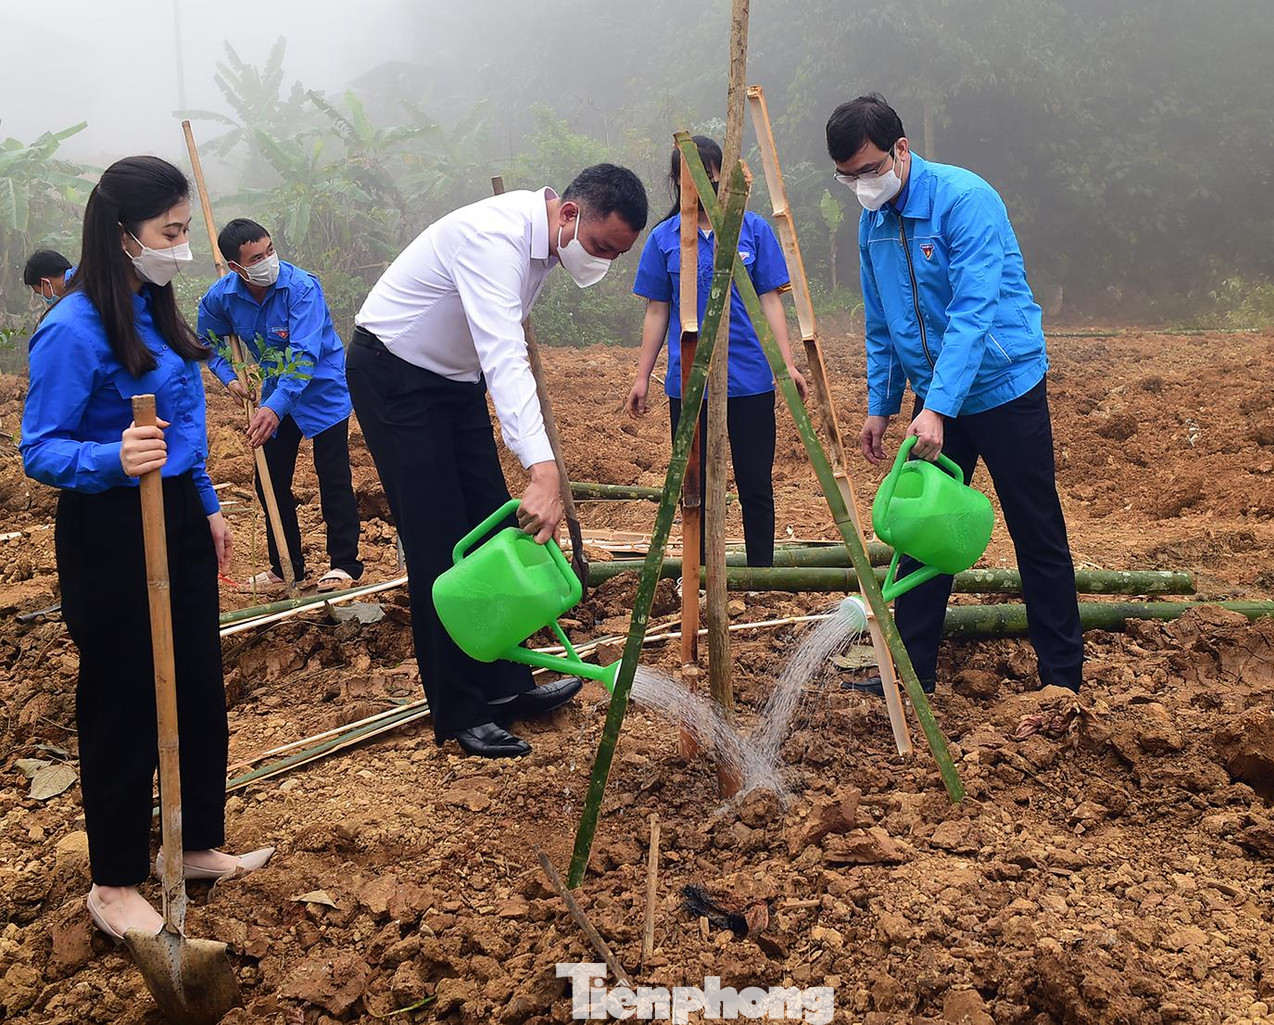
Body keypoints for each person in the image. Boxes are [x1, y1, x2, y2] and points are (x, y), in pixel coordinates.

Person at [21, 156, 272, 942]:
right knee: (125, 697)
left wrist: (206, 505)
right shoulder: (72, 325)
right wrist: (109, 459)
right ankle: (115, 878)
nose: (181, 246)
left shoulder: (158, 309)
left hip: (178, 521)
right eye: (169, 232)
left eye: (184, 230)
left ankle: (194, 842)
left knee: (196, 681)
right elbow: (40, 447)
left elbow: (184, 430)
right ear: (123, 233)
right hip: (110, 532)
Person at [350, 164, 648, 758]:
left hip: (454, 381)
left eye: (617, 255)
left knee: (489, 529)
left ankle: (507, 685)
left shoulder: (548, 240)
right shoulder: (495, 239)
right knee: (439, 544)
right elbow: (504, 352)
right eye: (600, 247)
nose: (603, 262)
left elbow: (492, 353)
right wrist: (544, 470)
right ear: (568, 214)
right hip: (396, 376)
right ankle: (459, 709)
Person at [826, 94, 1084, 697]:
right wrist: (882, 403)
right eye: (848, 176)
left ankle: (1062, 680)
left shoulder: (965, 201)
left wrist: (938, 408)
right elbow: (882, 318)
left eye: (868, 170)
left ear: (900, 150)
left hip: (1002, 387)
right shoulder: (873, 223)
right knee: (922, 529)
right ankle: (914, 673)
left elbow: (974, 312)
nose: (862, 185)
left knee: (1035, 528)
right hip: (936, 396)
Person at [625, 136, 807, 567]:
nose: (706, 183)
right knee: (695, 485)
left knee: (754, 481)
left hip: (750, 379)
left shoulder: (754, 231)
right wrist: (640, 376)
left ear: (724, 176)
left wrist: (786, 363)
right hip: (689, 384)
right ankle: (700, 571)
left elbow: (770, 300)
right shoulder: (664, 239)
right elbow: (656, 310)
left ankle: (762, 572)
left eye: (713, 173)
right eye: (695, 176)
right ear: (677, 182)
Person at [197, 219, 362, 593]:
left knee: (332, 476)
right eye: (257, 257)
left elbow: (304, 356)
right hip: (274, 392)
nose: (268, 260)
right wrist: (230, 376)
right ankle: (284, 567)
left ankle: (344, 564)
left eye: (270, 250)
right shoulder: (222, 296)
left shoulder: (301, 288)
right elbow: (206, 339)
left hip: (322, 391)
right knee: (269, 479)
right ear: (237, 267)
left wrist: (273, 408)